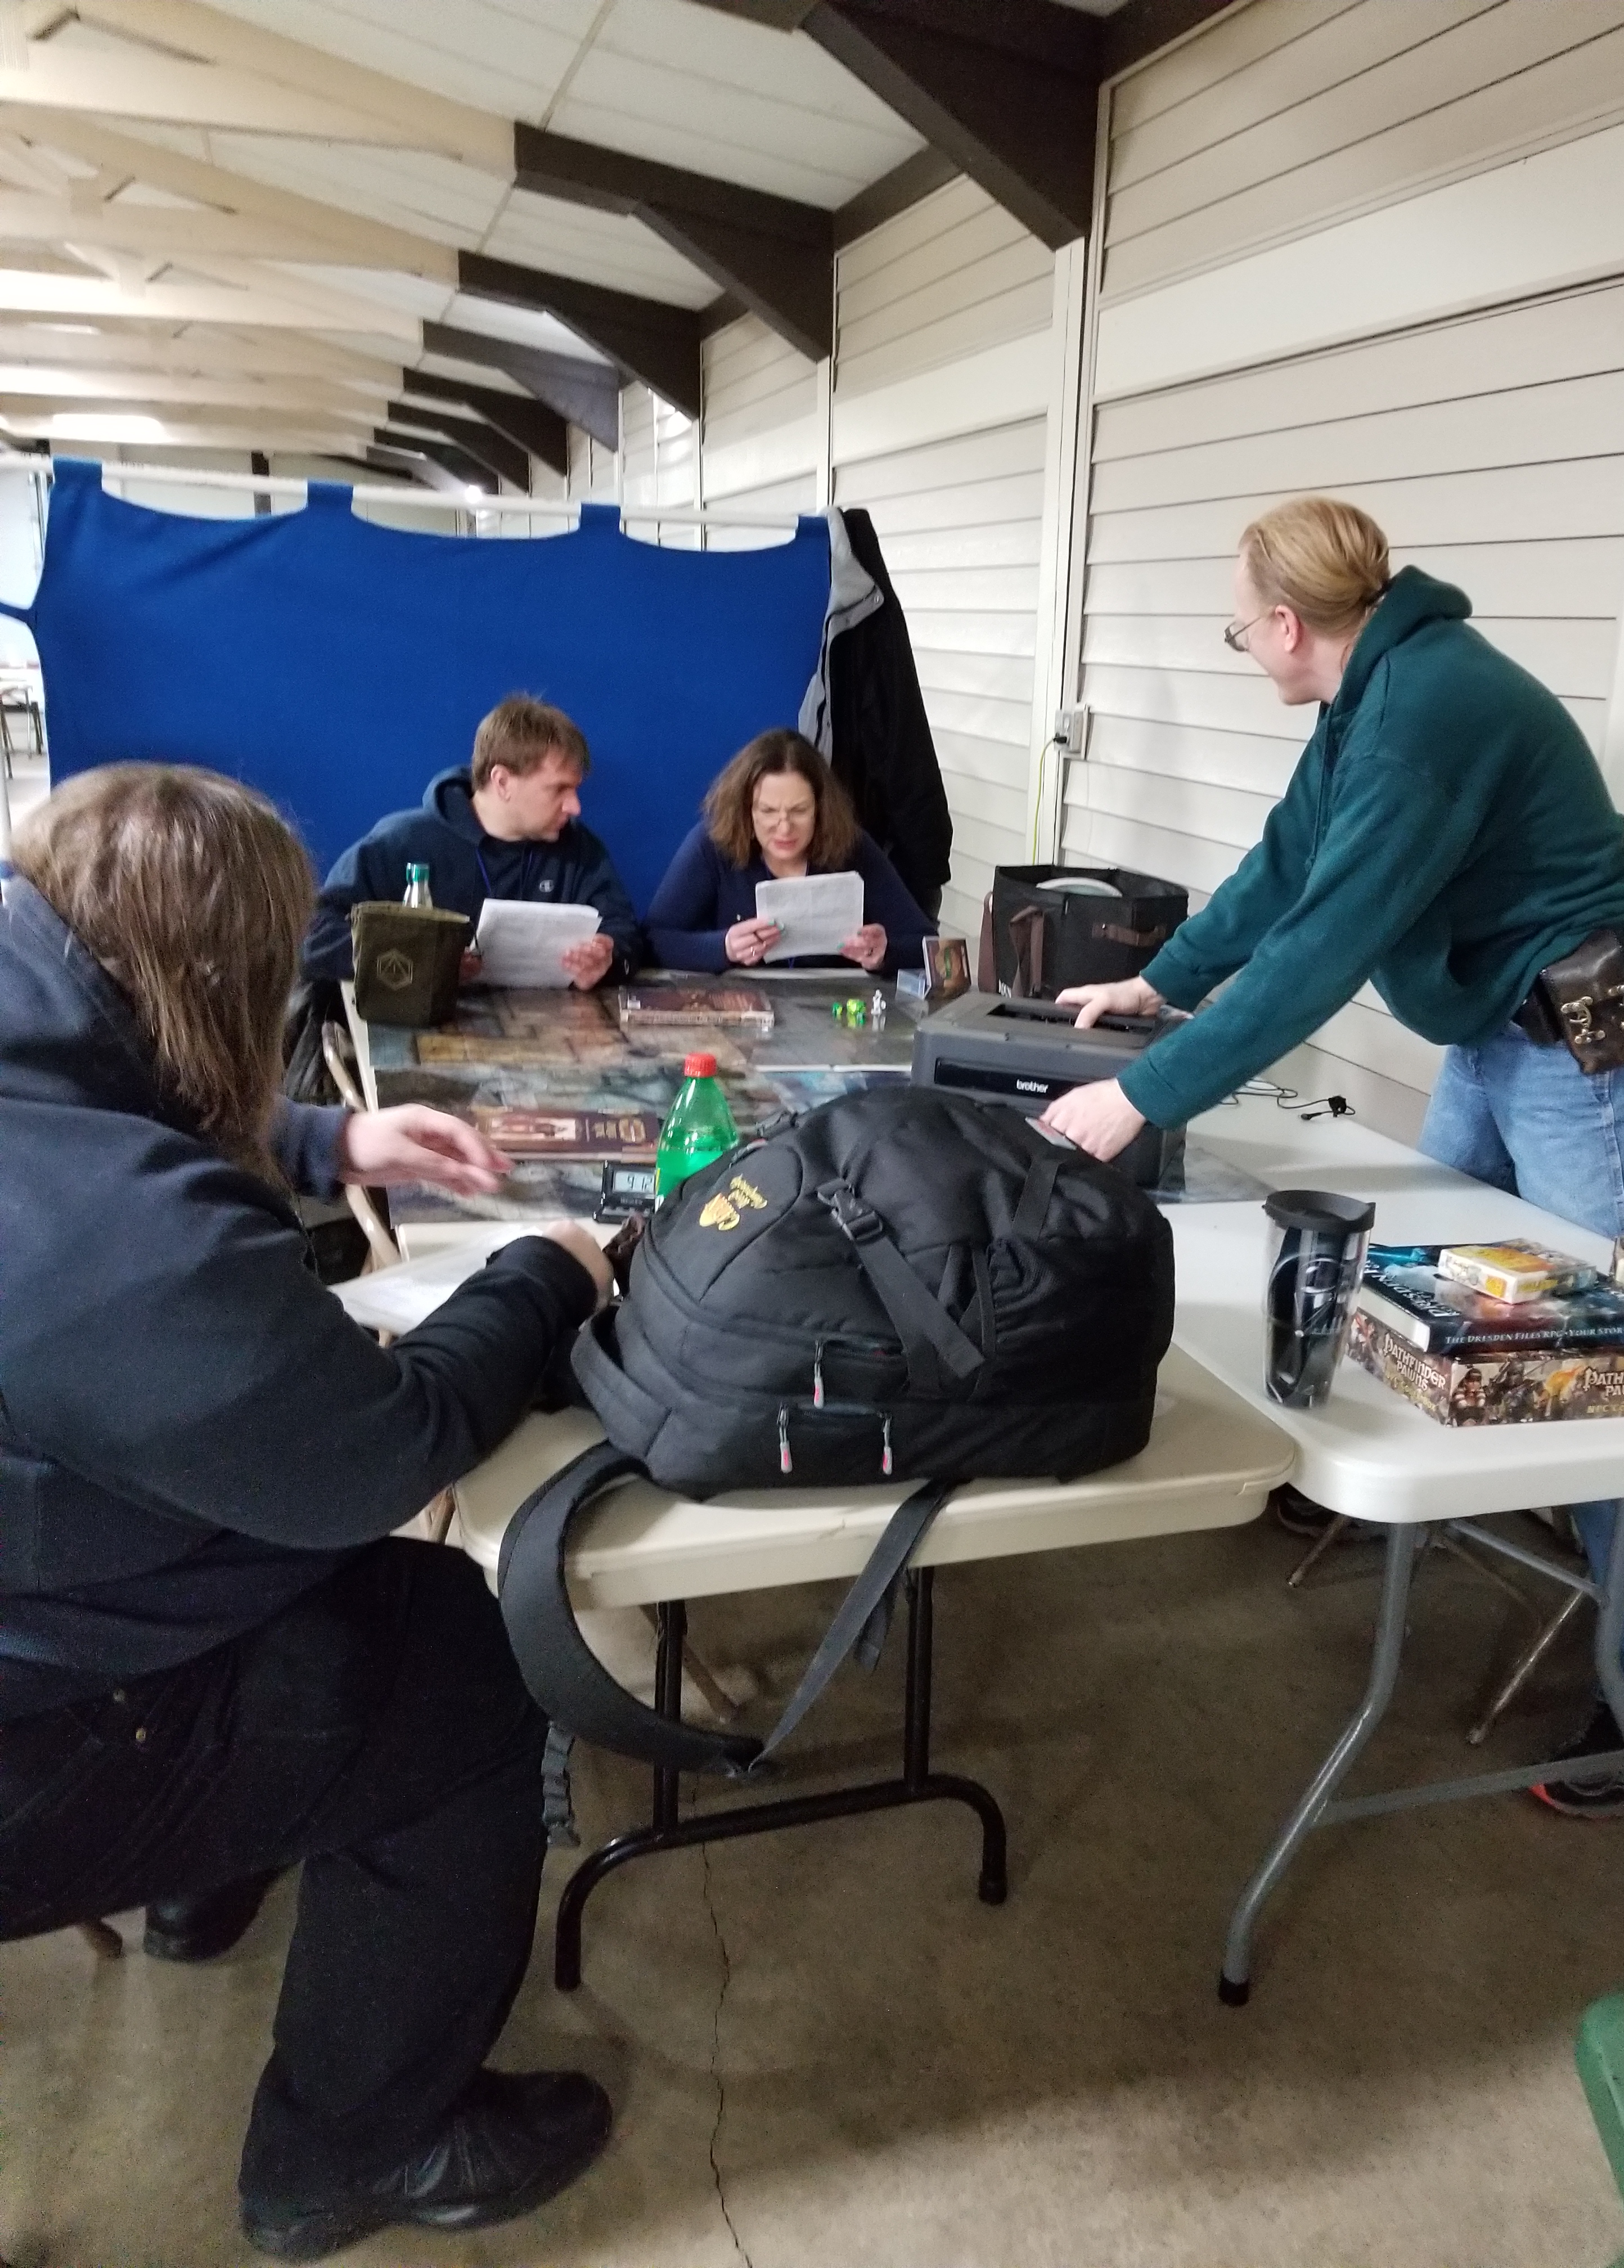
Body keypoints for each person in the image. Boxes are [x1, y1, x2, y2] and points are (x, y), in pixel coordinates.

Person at [0, 764, 620, 2258]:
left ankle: (196, 1892)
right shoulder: (119, 1249)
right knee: (459, 1658)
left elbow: (95, 1098)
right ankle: (357, 2151)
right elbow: (385, 1453)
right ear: (227, 980)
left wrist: (322, 1143)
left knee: (294, 1564)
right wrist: (544, 1274)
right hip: (38, 1728)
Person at [1038, 493, 1624, 1816]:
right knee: (1408, 1272)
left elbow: (1323, 949)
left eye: (1242, 631)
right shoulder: (1371, 694)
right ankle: (1419, 1511)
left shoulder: (1420, 715)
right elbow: (1286, 866)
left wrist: (1144, 1096)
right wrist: (1161, 983)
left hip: (1587, 1047)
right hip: (1502, 1028)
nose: (1247, 649)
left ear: (1290, 625)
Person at [299, 693, 644, 990]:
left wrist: (607, 958)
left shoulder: (580, 849)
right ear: (502, 782)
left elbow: (625, 932)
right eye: (559, 790)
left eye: (576, 790)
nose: (575, 807)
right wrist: (419, 961)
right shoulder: (401, 842)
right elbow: (313, 936)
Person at [644, 727, 935, 975]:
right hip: (739, 1008)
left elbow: (925, 945)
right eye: (768, 811)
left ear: (821, 809)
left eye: (799, 811)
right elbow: (654, 940)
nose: (784, 828)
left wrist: (885, 952)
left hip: (831, 1011)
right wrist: (724, 947)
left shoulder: (852, 847)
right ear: (746, 811)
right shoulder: (712, 845)